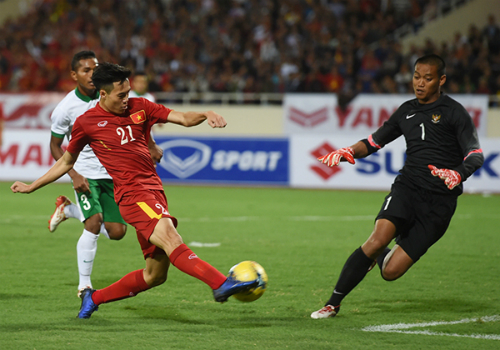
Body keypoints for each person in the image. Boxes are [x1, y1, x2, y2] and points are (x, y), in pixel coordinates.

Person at [11, 62, 258, 319]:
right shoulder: (87, 122)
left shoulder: (140, 107)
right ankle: (220, 284)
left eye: (128, 92)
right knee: (173, 239)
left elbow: (182, 118)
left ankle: (93, 297)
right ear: (103, 94)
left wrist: (206, 114)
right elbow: (66, 161)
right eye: (121, 95)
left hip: (154, 191)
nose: (127, 99)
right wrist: (32, 186)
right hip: (132, 196)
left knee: (154, 276)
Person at [310, 54, 484, 319]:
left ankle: (379, 256)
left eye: (428, 78)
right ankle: (333, 303)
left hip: (439, 204)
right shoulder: (406, 110)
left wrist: (458, 174)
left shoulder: (455, 112)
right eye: (417, 76)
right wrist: (349, 151)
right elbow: (373, 142)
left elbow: (475, 154)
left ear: (441, 80)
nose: (420, 83)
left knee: (390, 272)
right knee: (376, 239)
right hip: (407, 188)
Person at [48, 51, 128, 296]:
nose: (92, 74)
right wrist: (74, 175)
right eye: (85, 70)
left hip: (111, 172)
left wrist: (150, 144)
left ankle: (68, 209)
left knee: (117, 232)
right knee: (93, 224)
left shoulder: (110, 96)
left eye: (95, 69)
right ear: (74, 75)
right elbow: (54, 146)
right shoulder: (65, 109)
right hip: (85, 173)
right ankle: (85, 285)